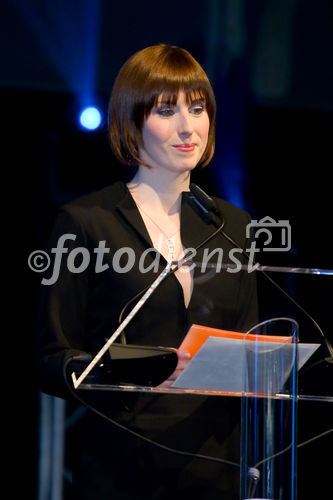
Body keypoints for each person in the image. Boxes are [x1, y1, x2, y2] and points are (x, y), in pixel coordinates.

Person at [33, 44, 258, 499]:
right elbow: (49, 360)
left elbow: (249, 345)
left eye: (197, 109)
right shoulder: (85, 222)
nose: (187, 127)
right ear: (132, 119)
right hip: (121, 468)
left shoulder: (234, 227)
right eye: (166, 110)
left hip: (216, 470)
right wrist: (143, 365)